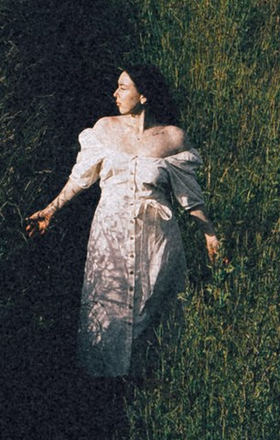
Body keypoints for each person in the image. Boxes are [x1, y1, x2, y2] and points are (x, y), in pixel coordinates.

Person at [25, 67, 217, 381]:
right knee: (109, 298)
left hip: (155, 238)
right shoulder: (105, 129)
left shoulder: (172, 138)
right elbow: (79, 180)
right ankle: (103, 382)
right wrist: (50, 210)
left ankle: (154, 382)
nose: (115, 94)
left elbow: (189, 198)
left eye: (123, 88)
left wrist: (209, 234)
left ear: (144, 95)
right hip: (110, 233)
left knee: (152, 301)